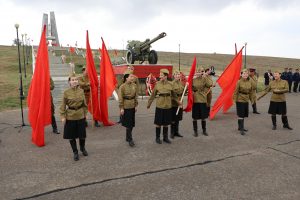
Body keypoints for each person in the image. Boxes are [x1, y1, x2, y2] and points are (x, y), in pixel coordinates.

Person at [147, 69, 181, 144]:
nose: (160, 76)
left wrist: (178, 102)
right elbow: (153, 95)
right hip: (160, 105)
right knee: (158, 123)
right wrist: (149, 104)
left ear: (166, 76)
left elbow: (174, 95)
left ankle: (165, 138)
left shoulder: (170, 84)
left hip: (168, 105)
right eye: (160, 75)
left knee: (166, 123)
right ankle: (157, 138)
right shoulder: (157, 84)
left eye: (161, 75)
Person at [60, 73, 88, 161]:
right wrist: (63, 116)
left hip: (80, 115)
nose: (75, 81)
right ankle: (75, 152)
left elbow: (84, 104)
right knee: (71, 136)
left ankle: (82, 148)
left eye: (76, 79)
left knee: (82, 135)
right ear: (69, 82)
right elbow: (63, 106)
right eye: (72, 80)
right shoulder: (66, 92)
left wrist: (85, 113)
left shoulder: (81, 91)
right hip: (70, 116)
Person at [118, 70, 138, 147]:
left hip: (132, 106)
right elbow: (120, 98)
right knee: (129, 124)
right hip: (126, 107)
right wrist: (121, 108)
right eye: (130, 76)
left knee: (132, 123)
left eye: (132, 76)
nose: (132, 78)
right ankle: (130, 139)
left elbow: (135, 96)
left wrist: (136, 105)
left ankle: (127, 137)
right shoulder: (122, 87)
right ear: (126, 78)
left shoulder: (134, 85)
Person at [192, 67, 213, 136]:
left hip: (203, 98)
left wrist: (205, 76)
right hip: (195, 99)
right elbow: (190, 88)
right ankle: (195, 131)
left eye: (200, 72)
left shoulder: (204, 79)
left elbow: (210, 84)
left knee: (203, 117)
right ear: (195, 72)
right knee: (195, 117)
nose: (198, 73)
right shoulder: (193, 80)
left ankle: (204, 130)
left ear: (202, 72)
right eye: (197, 72)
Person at [233, 69, 254, 135]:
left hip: (246, 99)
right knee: (241, 114)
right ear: (241, 74)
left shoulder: (249, 82)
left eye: (246, 74)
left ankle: (240, 127)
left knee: (243, 114)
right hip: (240, 99)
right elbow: (235, 92)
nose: (245, 75)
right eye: (244, 74)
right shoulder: (239, 82)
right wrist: (234, 100)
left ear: (248, 75)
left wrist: (252, 100)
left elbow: (251, 92)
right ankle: (241, 129)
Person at [170, 70, 185, 138]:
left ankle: (176, 132)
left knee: (177, 118)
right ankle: (172, 133)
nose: (178, 76)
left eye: (179, 74)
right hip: (174, 103)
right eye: (176, 74)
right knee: (173, 118)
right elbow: (171, 95)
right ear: (174, 76)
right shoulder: (171, 84)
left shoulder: (181, 83)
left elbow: (183, 92)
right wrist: (177, 101)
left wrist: (187, 86)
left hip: (180, 101)